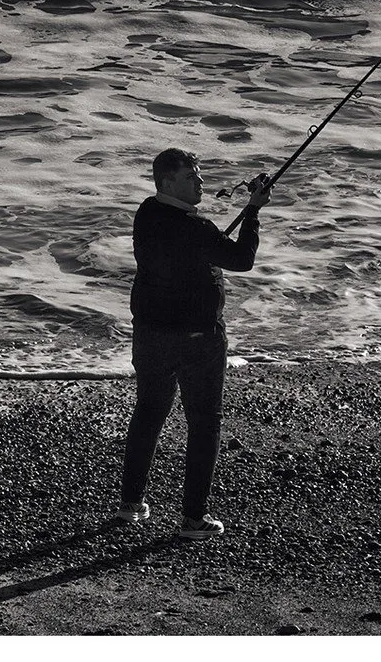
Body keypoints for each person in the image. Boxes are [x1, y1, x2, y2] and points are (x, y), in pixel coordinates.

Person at [112, 148, 271, 538]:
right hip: (197, 340)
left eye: (198, 174)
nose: (200, 181)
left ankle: (131, 504)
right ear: (167, 182)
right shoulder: (195, 228)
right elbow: (242, 259)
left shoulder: (146, 214)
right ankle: (194, 518)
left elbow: (193, 247)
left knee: (149, 412)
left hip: (150, 336)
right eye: (190, 176)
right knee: (204, 423)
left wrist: (215, 234)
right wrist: (253, 211)